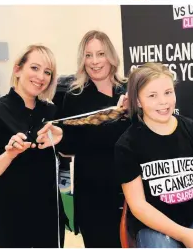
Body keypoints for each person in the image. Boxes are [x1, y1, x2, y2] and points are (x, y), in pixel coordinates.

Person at [114, 63, 193, 248]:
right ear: (138, 101)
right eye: (152, 96)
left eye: (168, 92)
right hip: (154, 226)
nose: (163, 102)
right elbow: (138, 205)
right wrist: (183, 235)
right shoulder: (127, 144)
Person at [0, 45, 65, 248]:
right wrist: (9, 154)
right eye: (34, 68)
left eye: (47, 72)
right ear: (17, 69)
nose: (41, 76)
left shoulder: (51, 112)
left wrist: (63, 137)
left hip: (48, 216)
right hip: (10, 217)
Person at [59, 31, 129, 247]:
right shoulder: (74, 96)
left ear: (111, 56)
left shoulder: (128, 91)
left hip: (132, 192)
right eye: (88, 55)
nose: (95, 61)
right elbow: (66, 148)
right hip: (94, 195)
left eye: (101, 53)